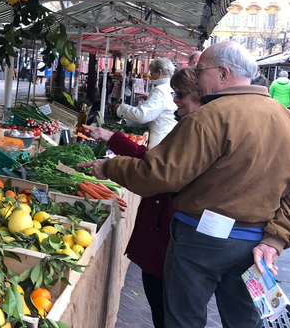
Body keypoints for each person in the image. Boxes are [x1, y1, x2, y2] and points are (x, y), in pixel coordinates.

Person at [80, 41, 290, 328]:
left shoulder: (210, 117)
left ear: (223, 73)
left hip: (200, 238)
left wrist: (109, 166)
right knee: (243, 320)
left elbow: (158, 175)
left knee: (183, 320)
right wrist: (275, 239)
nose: (196, 77)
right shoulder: (288, 120)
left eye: (200, 70)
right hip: (255, 243)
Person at [83, 68, 202, 328]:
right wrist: (113, 138)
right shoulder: (189, 125)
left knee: (168, 308)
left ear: (200, 93)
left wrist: (110, 167)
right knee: (162, 303)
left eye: (180, 94)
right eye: (174, 93)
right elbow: (152, 160)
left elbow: (157, 172)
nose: (175, 100)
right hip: (165, 235)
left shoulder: (200, 129)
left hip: (170, 233)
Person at [113, 58, 177, 148]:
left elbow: (142, 115)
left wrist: (121, 109)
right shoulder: (171, 87)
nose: (151, 77)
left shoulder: (160, 90)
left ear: (160, 72)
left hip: (159, 140)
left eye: (152, 73)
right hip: (169, 136)